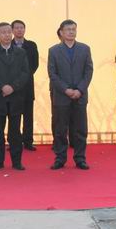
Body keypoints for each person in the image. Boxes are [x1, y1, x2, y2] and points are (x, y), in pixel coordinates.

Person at [48, 19, 93, 170]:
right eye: (68, 29)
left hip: (80, 95)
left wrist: (80, 89)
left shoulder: (85, 49)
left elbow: (88, 71)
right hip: (62, 96)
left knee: (80, 129)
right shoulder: (53, 51)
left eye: (73, 29)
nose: (71, 32)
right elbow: (52, 74)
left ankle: (80, 158)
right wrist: (66, 89)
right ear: (61, 32)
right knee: (60, 129)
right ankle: (60, 158)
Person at [0, 22, 30, 170]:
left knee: (15, 132)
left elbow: (25, 73)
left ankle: (17, 162)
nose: (7, 35)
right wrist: (2, 86)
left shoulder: (20, 52)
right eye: (3, 32)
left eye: (9, 32)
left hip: (16, 97)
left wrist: (13, 87)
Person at [12, 19, 39, 151]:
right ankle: (14, 141)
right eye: (16, 28)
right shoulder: (7, 45)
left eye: (21, 27)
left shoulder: (31, 45)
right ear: (12, 30)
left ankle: (28, 141)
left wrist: (23, 78)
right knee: (14, 116)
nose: (19, 30)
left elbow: (35, 64)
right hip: (12, 87)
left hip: (27, 85)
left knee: (28, 115)